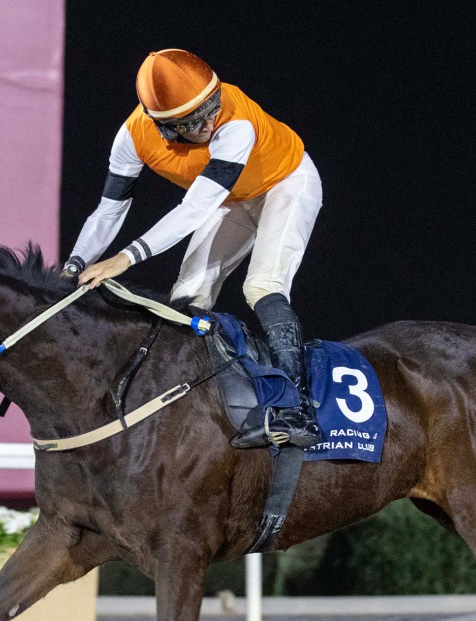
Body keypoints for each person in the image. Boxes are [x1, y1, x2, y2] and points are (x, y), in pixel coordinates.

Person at [65, 48, 323, 449]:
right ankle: (180, 401)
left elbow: (194, 210)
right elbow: (109, 210)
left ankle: (297, 409)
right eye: (192, 121)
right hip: (234, 198)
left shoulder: (234, 124)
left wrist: (124, 257)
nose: (208, 124)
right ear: (161, 125)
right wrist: (75, 263)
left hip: (287, 183)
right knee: (187, 297)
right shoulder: (132, 137)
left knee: (262, 285)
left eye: (211, 109)